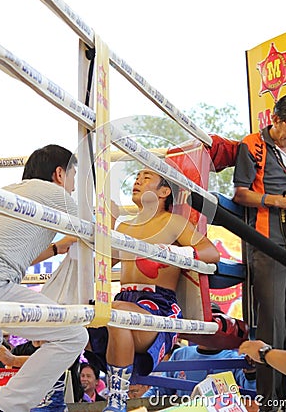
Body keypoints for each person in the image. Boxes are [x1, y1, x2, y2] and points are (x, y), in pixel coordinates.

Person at [88, 168, 220, 412]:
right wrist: (107, 225)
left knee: (117, 314)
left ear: (164, 191)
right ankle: (56, 398)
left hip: (158, 306)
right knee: (75, 322)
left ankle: (116, 401)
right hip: (123, 301)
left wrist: (170, 254)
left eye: (146, 177)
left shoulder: (173, 222)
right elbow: (100, 265)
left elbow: (212, 253)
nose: (137, 180)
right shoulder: (125, 228)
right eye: (136, 176)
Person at [0, 144, 88, 412]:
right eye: (73, 177)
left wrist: (57, 247)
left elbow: (16, 254)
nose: (72, 187)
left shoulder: (13, 193)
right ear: (60, 173)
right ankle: (4, 407)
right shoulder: (55, 194)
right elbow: (95, 229)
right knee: (73, 335)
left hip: (0, 283)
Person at [233, 93, 286, 411]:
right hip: (269, 243)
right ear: (276, 119)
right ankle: (271, 403)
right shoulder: (252, 144)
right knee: (273, 323)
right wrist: (276, 200)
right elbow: (240, 193)